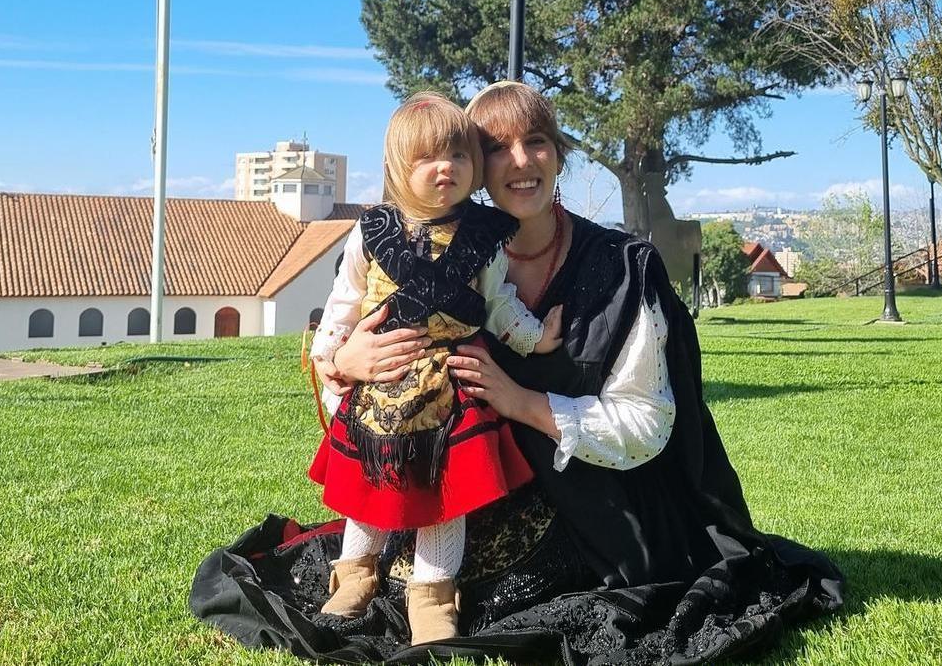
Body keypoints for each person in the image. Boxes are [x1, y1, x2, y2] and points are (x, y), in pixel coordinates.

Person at [190, 82, 843, 665]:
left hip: (599, 508)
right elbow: (353, 377)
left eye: (536, 142)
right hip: (459, 489)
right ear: (477, 167)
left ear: (559, 155)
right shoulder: (432, 249)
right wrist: (345, 361)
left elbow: (648, 422)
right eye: (496, 147)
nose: (520, 160)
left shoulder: (623, 270)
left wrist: (522, 400)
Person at [304, 91, 561, 644]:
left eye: (458, 155)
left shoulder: (486, 235)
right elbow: (344, 300)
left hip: (452, 385)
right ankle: (355, 574)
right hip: (379, 385)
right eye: (426, 158)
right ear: (397, 167)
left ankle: (432, 595)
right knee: (370, 486)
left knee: (447, 497)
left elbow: (500, 303)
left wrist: (536, 338)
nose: (445, 167)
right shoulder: (371, 230)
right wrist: (333, 357)